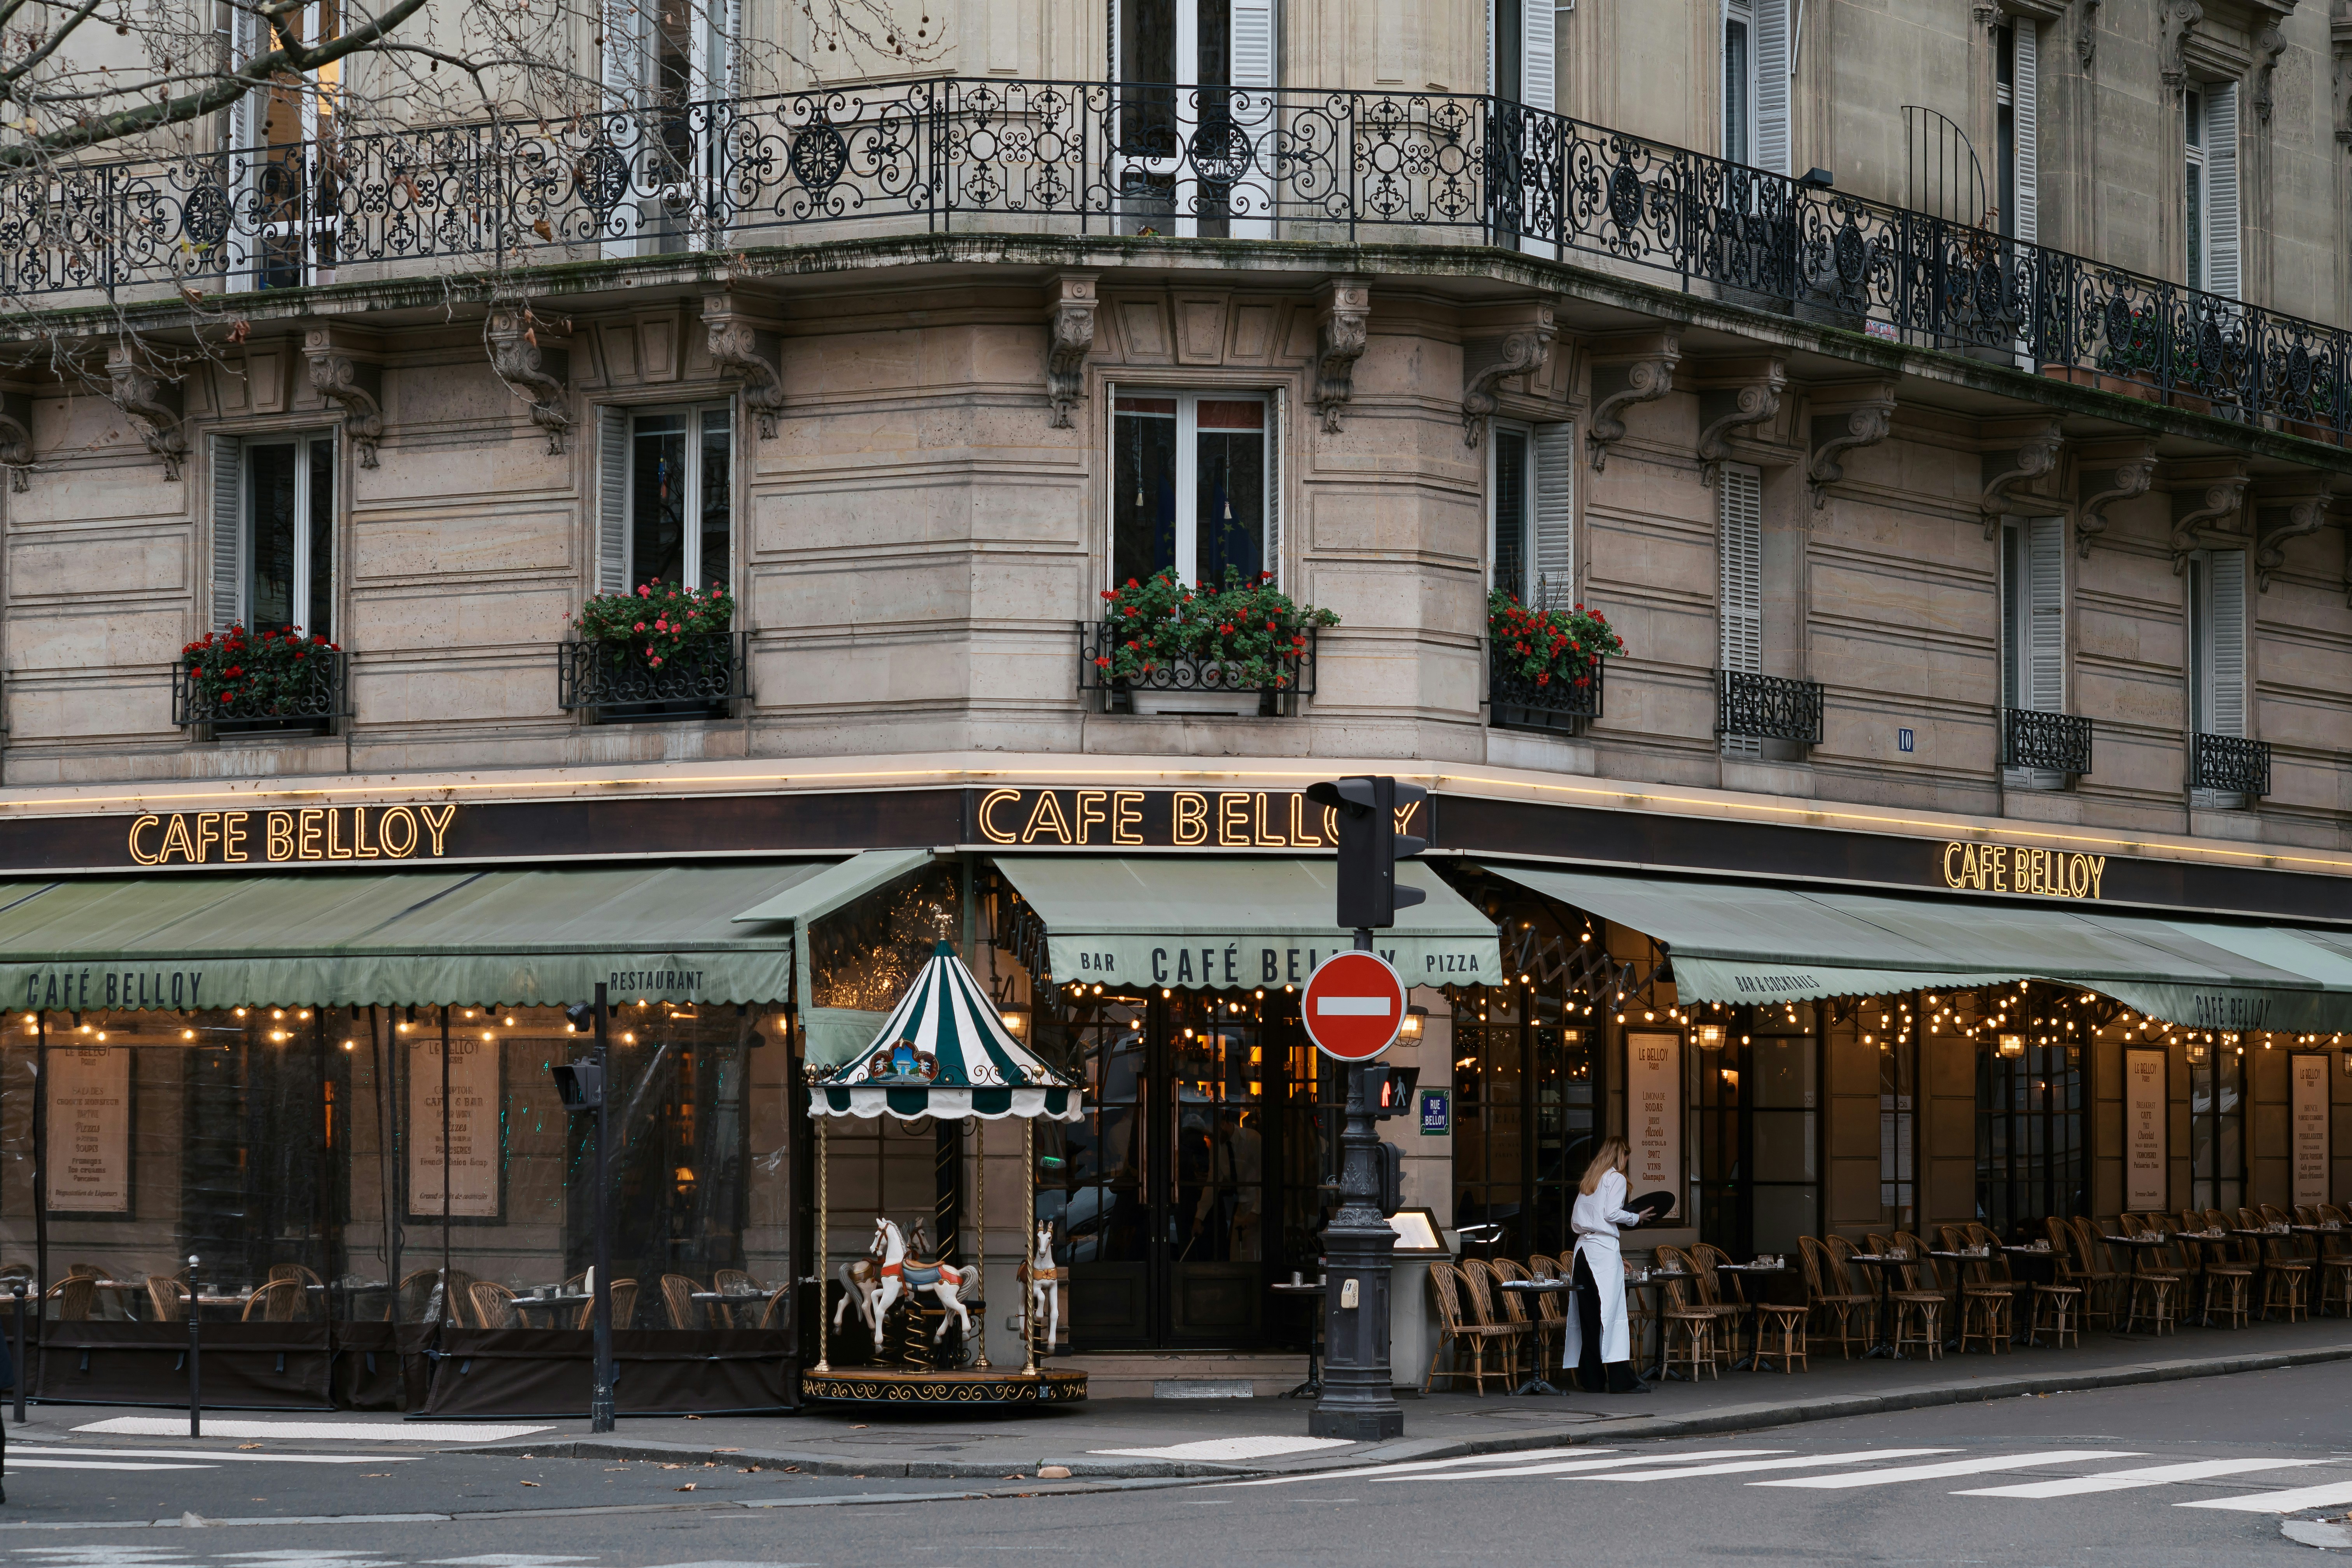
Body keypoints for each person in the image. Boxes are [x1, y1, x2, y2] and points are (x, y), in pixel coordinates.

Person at [1561, 1136, 1648, 1395]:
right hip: (1603, 1251)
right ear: (1621, 1156)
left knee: (1588, 1316)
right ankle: (1620, 1380)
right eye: (1627, 1158)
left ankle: (1593, 1380)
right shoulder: (1616, 1179)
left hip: (1583, 1251)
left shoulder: (1590, 1181)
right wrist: (1636, 1217)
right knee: (1612, 1316)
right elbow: (1611, 1214)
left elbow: (1579, 1220)